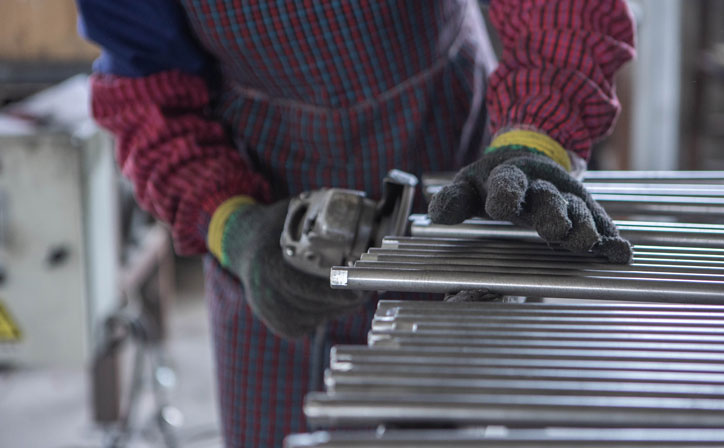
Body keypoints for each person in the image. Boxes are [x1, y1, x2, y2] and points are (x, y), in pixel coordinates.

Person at [77, 0, 635, 446]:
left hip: (463, 181)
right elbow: (148, 89)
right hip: (270, 219)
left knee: (472, 423)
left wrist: (533, 139)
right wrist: (232, 225)